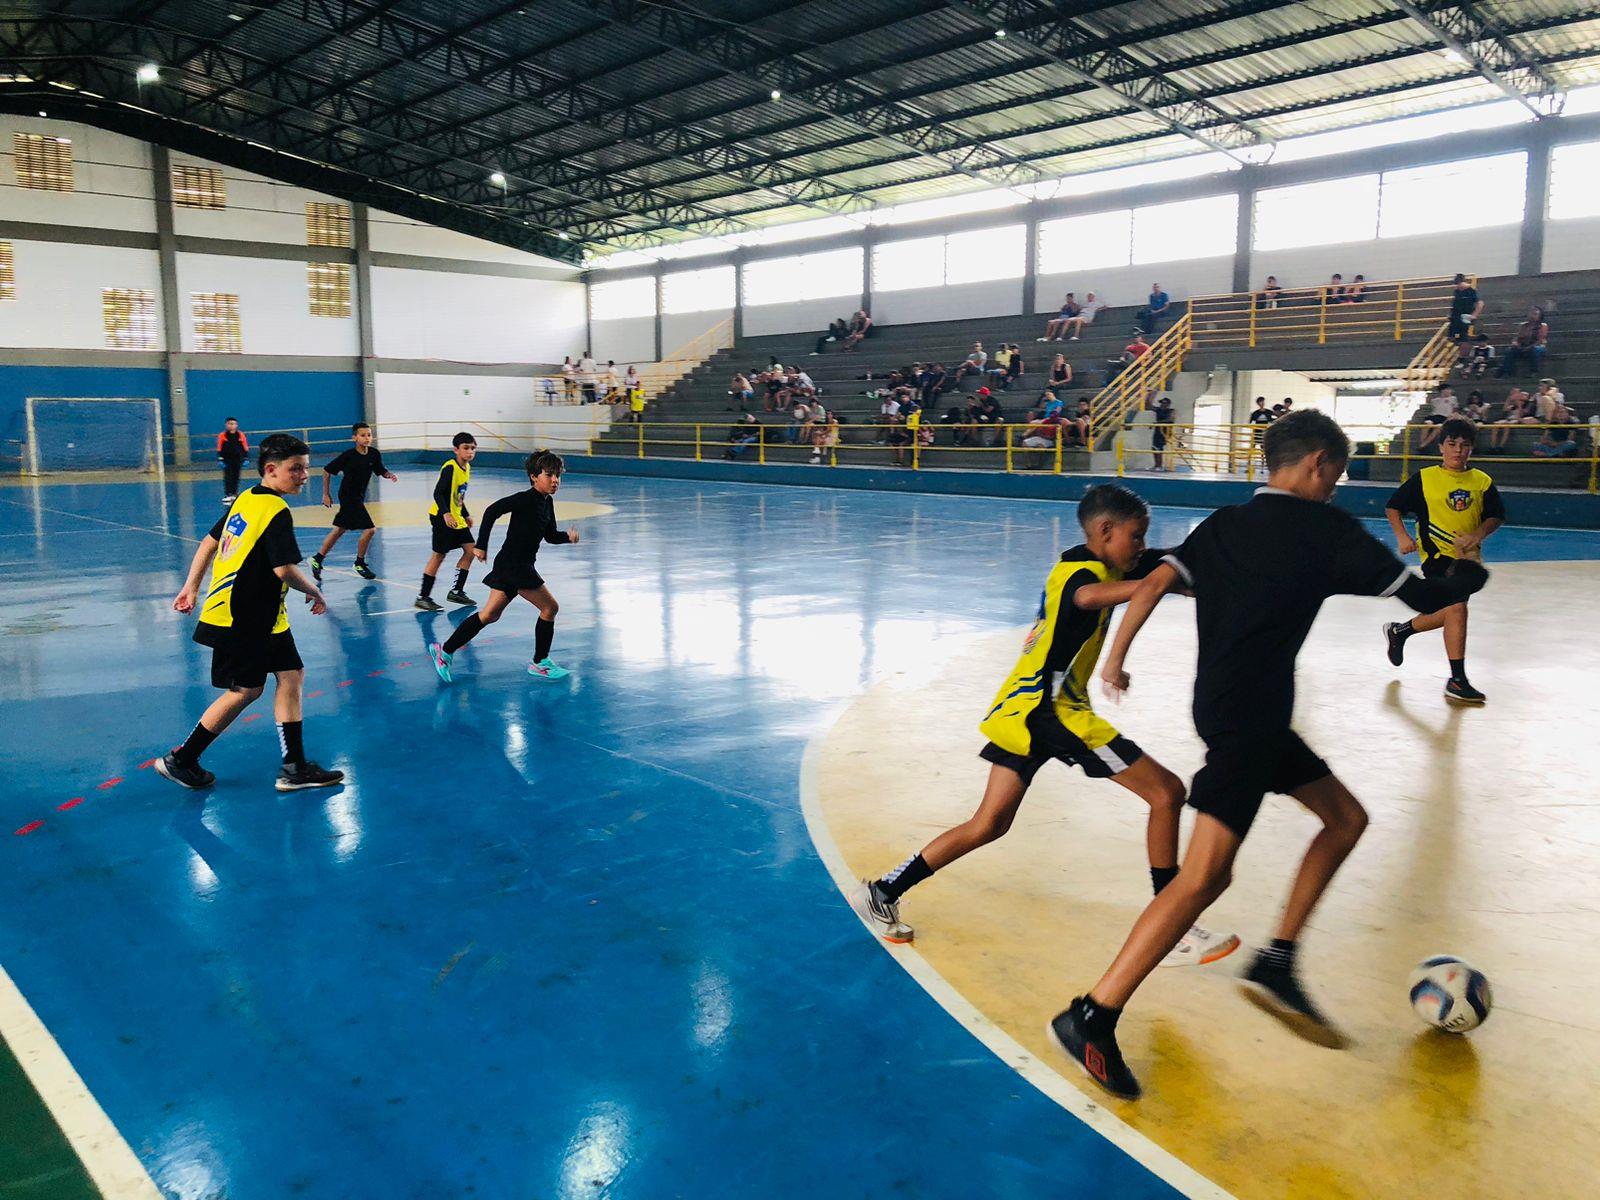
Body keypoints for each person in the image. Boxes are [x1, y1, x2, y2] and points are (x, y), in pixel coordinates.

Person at [1047, 409, 1489, 1100]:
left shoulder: (1223, 524)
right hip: (1251, 720)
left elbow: (1159, 582)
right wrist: (1468, 574)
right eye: (1337, 476)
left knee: (1345, 819)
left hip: (1227, 708)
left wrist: (1119, 657)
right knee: (1203, 880)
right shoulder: (1327, 530)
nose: (1337, 488)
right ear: (1316, 465)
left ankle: (1279, 959)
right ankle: (1093, 1015)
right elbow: (1427, 595)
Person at [849, 484, 1239, 965]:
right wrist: (1153, 586)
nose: (1140, 547)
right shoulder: (1078, 571)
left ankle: (884, 891)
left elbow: (1172, 567)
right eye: (1135, 537)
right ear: (1105, 530)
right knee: (1166, 794)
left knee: (989, 823)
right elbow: (1090, 597)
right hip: (1053, 712)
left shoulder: (1110, 560)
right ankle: (1175, 924)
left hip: (1022, 710)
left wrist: (1197, 572)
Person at [155, 433, 343, 793]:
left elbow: (210, 540)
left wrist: (192, 586)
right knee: (245, 691)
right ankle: (182, 759)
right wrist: (315, 589)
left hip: (265, 617)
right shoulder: (274, 510)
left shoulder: (247, 498)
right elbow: (283, 569)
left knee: (291, 675)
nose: (304, 476)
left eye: (306, 468)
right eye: (296, 469)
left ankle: (295, 767)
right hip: (243, 617)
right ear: (271, 470)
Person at [429, 450, 580, 684]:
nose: (555, 480)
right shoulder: (524, 499)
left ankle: (445, 652)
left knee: (489, 615)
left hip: (513, 564)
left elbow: (549, 535)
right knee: (550, 608)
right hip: (515, 566)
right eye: (549, 475)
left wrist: (566, 537)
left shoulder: (546, 502)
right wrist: (481, 545)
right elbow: (492, 511)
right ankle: (540, 662)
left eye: (557, 475)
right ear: (533, 476)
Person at [1383, 417, 1503, 705]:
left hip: (1467, 561)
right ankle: (1457, 680)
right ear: (1441, 447)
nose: (1458, 451)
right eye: (1452, 444)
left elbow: (1496, 515)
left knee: (1450, 612)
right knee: (1457, 609)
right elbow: (1393, 506)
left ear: (1471, 450)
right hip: (1436, 556)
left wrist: (1478, 534)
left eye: (1465, 446)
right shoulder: (1425, 478)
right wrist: (1402, 537)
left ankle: (1400, 631)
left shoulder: (1482, 481)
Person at [311, 422, 398, 584]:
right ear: (354, 437)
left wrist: (389, 475)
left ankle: (317, 559)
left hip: (359, 496)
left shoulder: (373, 454)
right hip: (348, 496)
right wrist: (326, 494)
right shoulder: (348, 455)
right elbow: (327, 470)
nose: (367, 438)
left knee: (339, 530)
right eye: (363, 435)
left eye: (369, 435)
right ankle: (359, 563)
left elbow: (380, 470)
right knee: (370, 529)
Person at [415, 432, 478, 612]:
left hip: (456, 518)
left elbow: (458, 496)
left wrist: (464, 514)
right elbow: (438, 493)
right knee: (439, 555)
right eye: (466, 448)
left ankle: (457, 591)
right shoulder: (450, 467)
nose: (470, 452)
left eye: (473, 448)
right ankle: (423, 597)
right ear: (456, 450)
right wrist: (446, 514)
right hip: (442, 517)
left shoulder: (466, 468)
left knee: (470, 549)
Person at [1498, 307, 1548, 378]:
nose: (1532, 316)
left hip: (1537, 346)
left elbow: (1540, 340)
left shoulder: (1543, 326)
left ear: (1539, 316)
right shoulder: (1523, 325)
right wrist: (1515, 343)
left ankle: (1534, 371)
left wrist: (1529, 347)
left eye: (1535, 314)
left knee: (1534, 350)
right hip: (1523, 346)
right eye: (1531, 313)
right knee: (1509, 351)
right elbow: (1517, 337)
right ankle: (1508, 372)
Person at [1487, 386, 1534, 451]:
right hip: (1508, 419)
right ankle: (1492, 446)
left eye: (1525, 395)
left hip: (1517, 419)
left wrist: (1520, 405)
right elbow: (1505, 410)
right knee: (1495, 425)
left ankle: (1501, 446)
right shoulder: (1513, 405)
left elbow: (1521, 415)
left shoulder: (1528, 406)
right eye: (1521, 394)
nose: (1522, 396)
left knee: (1507, 426)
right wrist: (1509, 399)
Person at [216, 417, 249, 502]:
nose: (232, 426)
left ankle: (234, 493)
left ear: (236, 425)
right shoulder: (222, 435)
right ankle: (228, 494)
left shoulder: (240, 435)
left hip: (238, 459)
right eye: (230, 424)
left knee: (236, 476)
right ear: (226, 425)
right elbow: (219, 447)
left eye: (233, 424)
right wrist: (220, 458)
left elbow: (245, 446)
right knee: (228, 476)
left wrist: (246, 458)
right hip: (227, 459)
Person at [1448, 273, 1481, 342]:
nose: (1458, 287)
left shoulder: (1471, 290)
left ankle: (1461, 341)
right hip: (1456, 316)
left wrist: (1474, 315)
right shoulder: (1457, 291)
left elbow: (1480, 303)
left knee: (1462, 333)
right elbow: (1455, 304)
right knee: (1454, 335)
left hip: (1465, 315)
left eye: (1459, 285)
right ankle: (1456, 339)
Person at [1150, 396, 1174, 472]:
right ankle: (1156, 465)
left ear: (1168, 404)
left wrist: (1157, 423)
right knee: (1154, 447)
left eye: (1164, 403)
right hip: (1158, 430)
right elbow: (1148, 405)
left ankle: (1159, 465)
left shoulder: (1171, 411)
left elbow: (1170, 419)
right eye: (1161, 403)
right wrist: (1149, 395)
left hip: (1165, 431)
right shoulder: (1158, 410)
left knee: (1159, 448)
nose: (1162, 405)